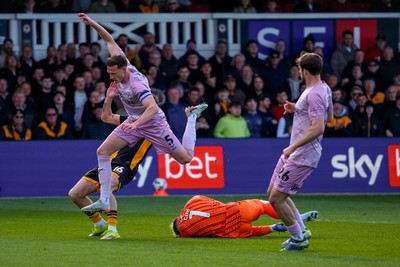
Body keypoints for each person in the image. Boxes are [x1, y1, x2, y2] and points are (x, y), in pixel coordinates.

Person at [76, 13, 208, 213]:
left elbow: (153, 108)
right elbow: (109, 39)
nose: (111, 77)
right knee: (102, 152)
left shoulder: (137, 84)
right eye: (109, 73)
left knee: (185, 159)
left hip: (153, 124)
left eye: (113, 73)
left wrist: (136, 125)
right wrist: (91, 22)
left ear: (123, 70)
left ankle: (192, 117)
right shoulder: (121, 65)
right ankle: (104, 199)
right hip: (134, 121)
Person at [267, 52, 333, 251]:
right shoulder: (323, 89)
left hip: (302, 154)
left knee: (276, 199)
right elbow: (328, 116)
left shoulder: (315, 93)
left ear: (304, 71)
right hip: (295, 152)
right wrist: (297, 108)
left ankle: (297, 238)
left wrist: (293, 146)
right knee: (273, 193)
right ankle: (301, 230)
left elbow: (319, 126)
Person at [69, 88, 153, 240]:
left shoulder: (155, 128)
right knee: (75, 194)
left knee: (107, 184)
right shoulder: (129, 120)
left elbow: (171, 145)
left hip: (126, 166)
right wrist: (108, 98)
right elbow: (106, 117)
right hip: (108, 162)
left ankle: (113, 229)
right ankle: (100, 225)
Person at [170, 195, 319, 238]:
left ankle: (274, 228)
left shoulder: (186, 232)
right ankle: (296, 218)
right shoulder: (193, 201)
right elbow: (216, 204)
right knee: (263, 205)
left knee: (252, 231)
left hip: (231, 231)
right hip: (234, 210)